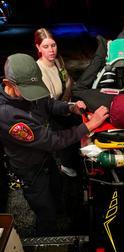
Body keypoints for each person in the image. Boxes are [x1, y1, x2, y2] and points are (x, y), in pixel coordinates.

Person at [0, 53, 109, 236]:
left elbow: (47, 104)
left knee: (57, 195)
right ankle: (47, 245)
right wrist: (89, 125)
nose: (31, 95)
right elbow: (52, 141)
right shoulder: (7, 114)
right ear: (8, 84)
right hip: (31, 169)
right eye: (28, 91)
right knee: (45, 211)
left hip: (46, 159)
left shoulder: (29, 87)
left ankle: (63, 222)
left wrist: (69, 107)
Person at [34, 27, 78, 177]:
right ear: (38, 48)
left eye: (53, 45)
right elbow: (50, 105)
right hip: (51, 113)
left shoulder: (57, 60)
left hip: (65, 104)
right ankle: (65, 165)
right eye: (46, 46)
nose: (51, 50)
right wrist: (71, 107)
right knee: (69, 137)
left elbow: (68, 81)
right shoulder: (39, 70)